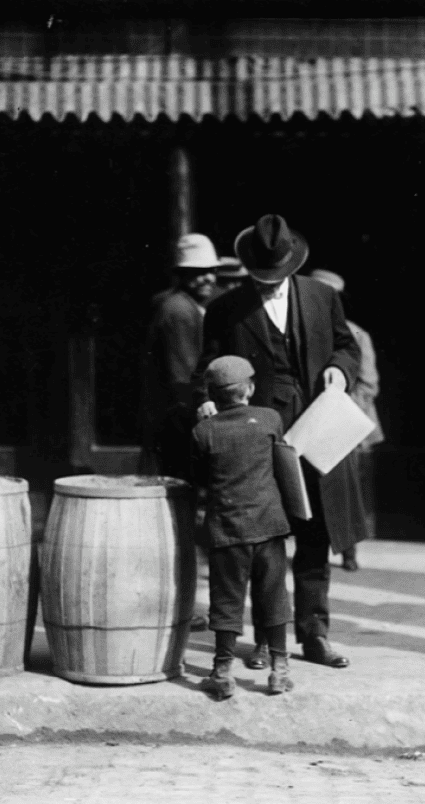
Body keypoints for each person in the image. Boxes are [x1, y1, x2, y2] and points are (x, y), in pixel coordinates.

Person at [194, 214, 367, 670]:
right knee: (261, 542)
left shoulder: (321, 296)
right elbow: (206, 370)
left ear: (293, 266)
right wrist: (209, 401)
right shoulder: (225, 309)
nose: (270, 286)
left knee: (315, 536)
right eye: (261, 279)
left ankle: (315, 635)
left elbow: (348, 347)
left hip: (319, 430)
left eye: (277, 278)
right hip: (257, 441)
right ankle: (267, 640)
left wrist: (339, 370)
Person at [192, 355, 295, 698]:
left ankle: (222, 673)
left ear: (213, 395)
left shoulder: (204, 431)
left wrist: (205, 419)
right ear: (249, 388)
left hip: (228, 529)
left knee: (226, 599)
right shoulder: (269, 419)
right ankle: (279, 670)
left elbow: (198, 475)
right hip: (269, 524)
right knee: (273, 594)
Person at [309, 268, 384, 572]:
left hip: (346, 424)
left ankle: (348, 548)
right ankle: (316, 549)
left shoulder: (356, 334)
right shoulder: (303, 333)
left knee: (344, 489)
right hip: (311, 424)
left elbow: (368, 384)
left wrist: (336, 412)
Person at [139, 234, 221, 480]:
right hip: (178, 412)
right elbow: (183, 375)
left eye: (211, 270)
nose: (207, 278)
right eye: (197, 272)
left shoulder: (196, 304)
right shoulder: (178, 311)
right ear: (181, 275)